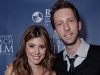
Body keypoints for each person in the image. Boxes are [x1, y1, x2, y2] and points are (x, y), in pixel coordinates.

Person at [50, 0, 100, 75]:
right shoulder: (53, 63)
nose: (66, 28)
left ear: (79, 25)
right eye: (60, 24)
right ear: (56, 32)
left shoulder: (98, 56)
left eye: (70, 21)